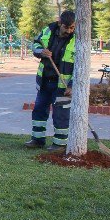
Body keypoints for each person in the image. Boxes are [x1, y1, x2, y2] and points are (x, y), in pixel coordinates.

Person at [24, 10, 76, 152]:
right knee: (39, 110)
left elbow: (80, 68)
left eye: (72, 28)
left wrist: (72, 86)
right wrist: (41, 51)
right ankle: (37, 139)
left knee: (61, 114)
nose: (70, 31)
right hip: (45, 81)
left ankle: (60, 144)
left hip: (63, 85)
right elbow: (35, 44)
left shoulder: (77, 39)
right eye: (67, 27)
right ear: (60, 23)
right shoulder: (48, 30)